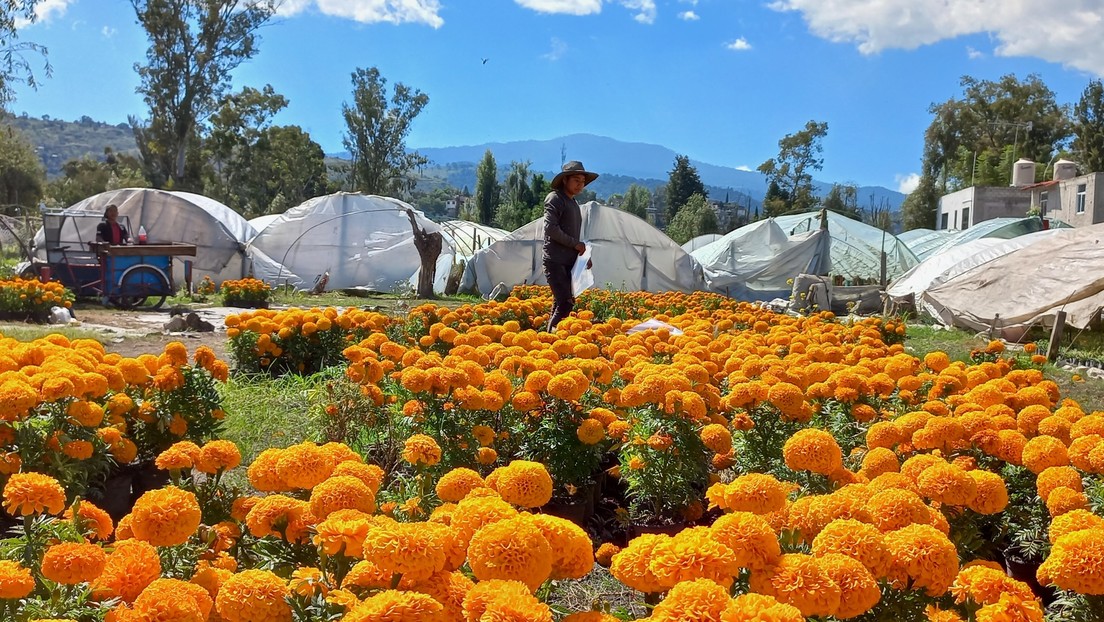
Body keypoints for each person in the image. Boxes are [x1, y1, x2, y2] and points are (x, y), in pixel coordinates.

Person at [543, 160, 598, 331]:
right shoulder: (555, 199)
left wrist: (583, 256)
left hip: (568, 261)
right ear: (565, 180)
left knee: (561, 303)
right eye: (576, 180)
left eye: (582, 182)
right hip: (555, 260)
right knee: (565, 303)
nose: (580, 185)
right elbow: (550, 228)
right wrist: (575, 244)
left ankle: (549, 337)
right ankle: (552, 339)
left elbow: (573, 235)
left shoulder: (573, 203)